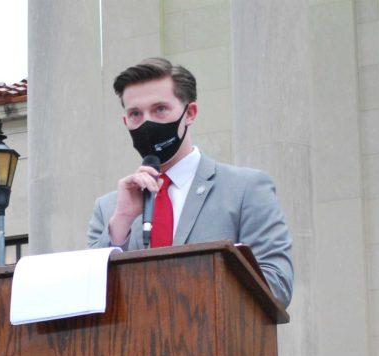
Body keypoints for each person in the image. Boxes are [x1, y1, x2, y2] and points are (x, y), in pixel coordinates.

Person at [87, 57, 294, 308]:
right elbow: (88, 296)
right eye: (135, 114)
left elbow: (277, 285)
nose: (147, 123)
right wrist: (121, 223)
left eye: (160, 109)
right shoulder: (110, 209)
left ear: (190, 113)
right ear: (125, 122)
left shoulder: (245, 189)